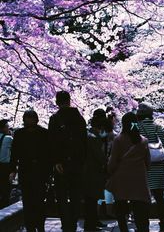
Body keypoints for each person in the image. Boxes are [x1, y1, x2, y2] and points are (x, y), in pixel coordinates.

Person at [48, 91, 87, 232]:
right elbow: (84, 141)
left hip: (61, 164)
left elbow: (51, 142)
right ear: (69, 101)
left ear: (57, 102)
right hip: (77, 163)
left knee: (62, 195)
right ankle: (73, 222)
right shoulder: (80, 119)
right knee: (76, 194)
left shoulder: (55, 119)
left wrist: (56, 161)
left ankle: (66, 223)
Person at [106, 112, 151, 232]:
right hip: (139, 178)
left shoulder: (119, 140)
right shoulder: (144, 141)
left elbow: (112, 161)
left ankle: (124, 229)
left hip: (122, 178)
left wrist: (110, 171)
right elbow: (148, 162)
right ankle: (143, 229)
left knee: (121, 208)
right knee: (139, 208)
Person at [9, 110, 50, 232]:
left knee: (38, 201)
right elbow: (14, 153)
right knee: (28, 201)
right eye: (28, 119)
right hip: (26, 171)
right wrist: (13, 169)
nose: (29, 121)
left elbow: (49, 154)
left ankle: (39, 225)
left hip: (39, 172)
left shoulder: (43, 133)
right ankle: (31, 227)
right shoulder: (19, 134)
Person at [136, 102, 164, 232]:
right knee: (160, 197)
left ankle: (144, 224)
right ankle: (163, 222)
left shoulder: (137, 127)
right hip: (158, 165)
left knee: (143, 198)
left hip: (144, 166)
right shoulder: (158, 127)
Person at [82, 116, 107, 231]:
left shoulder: (88, 135)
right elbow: (100, 156)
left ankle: (92, 222)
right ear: (101, 127)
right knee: (91, 200)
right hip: (93, 172)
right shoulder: (94, 138)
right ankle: (90, 224)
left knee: (90, 200)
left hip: (87, 172)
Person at [0, 119, 12, 209]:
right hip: (5, 167)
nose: (9, 128)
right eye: (7, 126)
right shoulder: (8, 138)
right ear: (3, 128)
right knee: (5, 187)